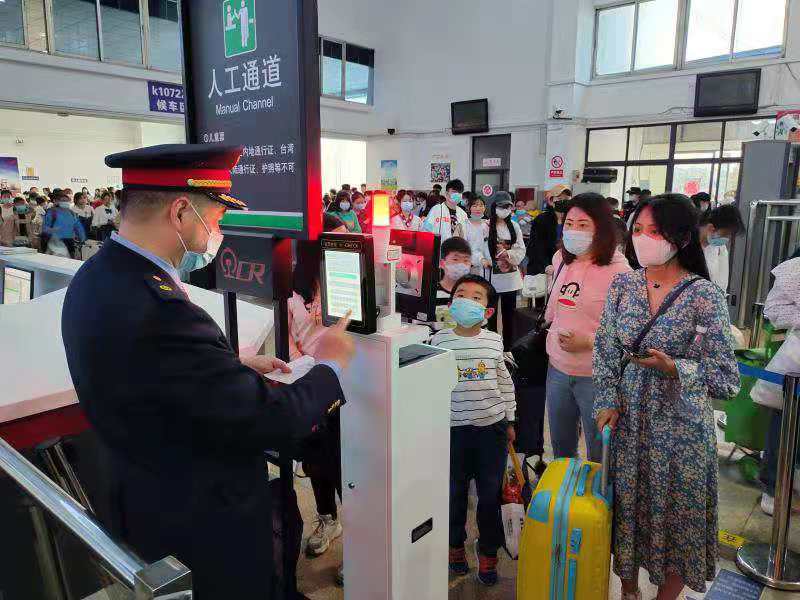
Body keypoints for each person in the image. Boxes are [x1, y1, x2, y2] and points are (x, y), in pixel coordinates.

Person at [61, 144, 356, 599]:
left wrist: (229, 365)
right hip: (202, 529)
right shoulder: (161, 309)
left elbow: (152, 376)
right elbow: (272, 420)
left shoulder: (96, 277)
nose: (217, 231)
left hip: (142, 500)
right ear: (181, 212)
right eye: (215, 218)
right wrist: (330, 364)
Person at [594, 194, 739, 600]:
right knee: (628, 515)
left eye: (654, 232)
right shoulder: (624, 285)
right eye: (637, 230)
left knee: (678, 521)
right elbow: (606, 349)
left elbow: (727, 379)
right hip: (630, 423)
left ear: (681, 237)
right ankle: (628, 591)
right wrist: (606, 399)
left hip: (681, 432)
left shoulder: (704, 295)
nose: (642, 239)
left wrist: (676, 368)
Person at [431, 274, 515, 587]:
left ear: (488, 311)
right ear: (451, 304)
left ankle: (489, 552)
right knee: (454, 493)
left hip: (491, 430)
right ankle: (454, 546)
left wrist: (510, 420)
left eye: (476, 297)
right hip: (453, 432)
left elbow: (504, 383)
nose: (467, 300)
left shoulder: (494, 341)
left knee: (489, 496)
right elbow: (432, 386)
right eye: (461, 295)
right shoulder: (439, 341)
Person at [544, 193, 631, 462]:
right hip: (557, 368)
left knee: (598, 453)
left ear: (601, 228)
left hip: (596, 376)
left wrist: (590, 340)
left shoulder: (620, 272)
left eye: (583, 225)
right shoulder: (561, 259)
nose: (574, 231)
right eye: (569, 224)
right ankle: (567, 488)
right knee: (561, 448)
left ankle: (595, 490)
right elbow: (554, 311)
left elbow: (629, 332)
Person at [288, 213, 348, 574]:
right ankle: (328, 519)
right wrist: (305, 369)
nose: (346, 247)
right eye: (337, 240)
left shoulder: (350, 281)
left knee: (348, 466)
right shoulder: (292, 290)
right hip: (310, 384)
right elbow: (288, 339)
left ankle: (360, 542)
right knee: (316, 461)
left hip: (349, 383)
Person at [751, 256, 800, 515]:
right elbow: (775, 311)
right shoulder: (796, 269)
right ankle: (772, 487)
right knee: (785, 423)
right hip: (796, 366)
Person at [486, 192, 526, 350]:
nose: (505, 210)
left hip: (510, 280)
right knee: (491, 316)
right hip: (490, 279)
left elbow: (521, 249)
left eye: (508, 207)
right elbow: (479, 249)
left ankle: (508, 349)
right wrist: (484, 259)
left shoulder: (514, 226)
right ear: (494, 207)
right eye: (502, 206)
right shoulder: (486, 226)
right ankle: (493, 347)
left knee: (509, 316)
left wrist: (508, 254)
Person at [698, 204, 744, 292]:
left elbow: (721, 282)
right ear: (711, 228)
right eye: (725, 234)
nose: (727, 239)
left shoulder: (719, 249)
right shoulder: (686, 245)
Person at [526, 185, 570, 276]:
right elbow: (535, 246)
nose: (563, 201)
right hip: (543, 270)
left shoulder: (571, 219)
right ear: (551, 201)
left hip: (565, 268)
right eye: (560, 199)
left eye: (566, 199)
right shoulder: (541, 219)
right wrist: (546, 265)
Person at [42, 191, 86, 257]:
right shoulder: (52, 212)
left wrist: (82, 238)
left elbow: (78, 227)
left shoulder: (72, 213)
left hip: (70, 242)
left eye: (67, 201)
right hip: (54, 242)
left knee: (69, 260)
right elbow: (45, 228)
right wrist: (52, 230)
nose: (66, 202)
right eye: (63, 200)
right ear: (58, 202)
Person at [455, 196, 491, 274]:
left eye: (481, 206)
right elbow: (457, 247)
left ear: (485, 208)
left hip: (486, 267)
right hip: (468, 266)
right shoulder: (462, 225)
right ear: (469, 208)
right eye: (474, 206)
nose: (478, 209)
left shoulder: (488, 224)